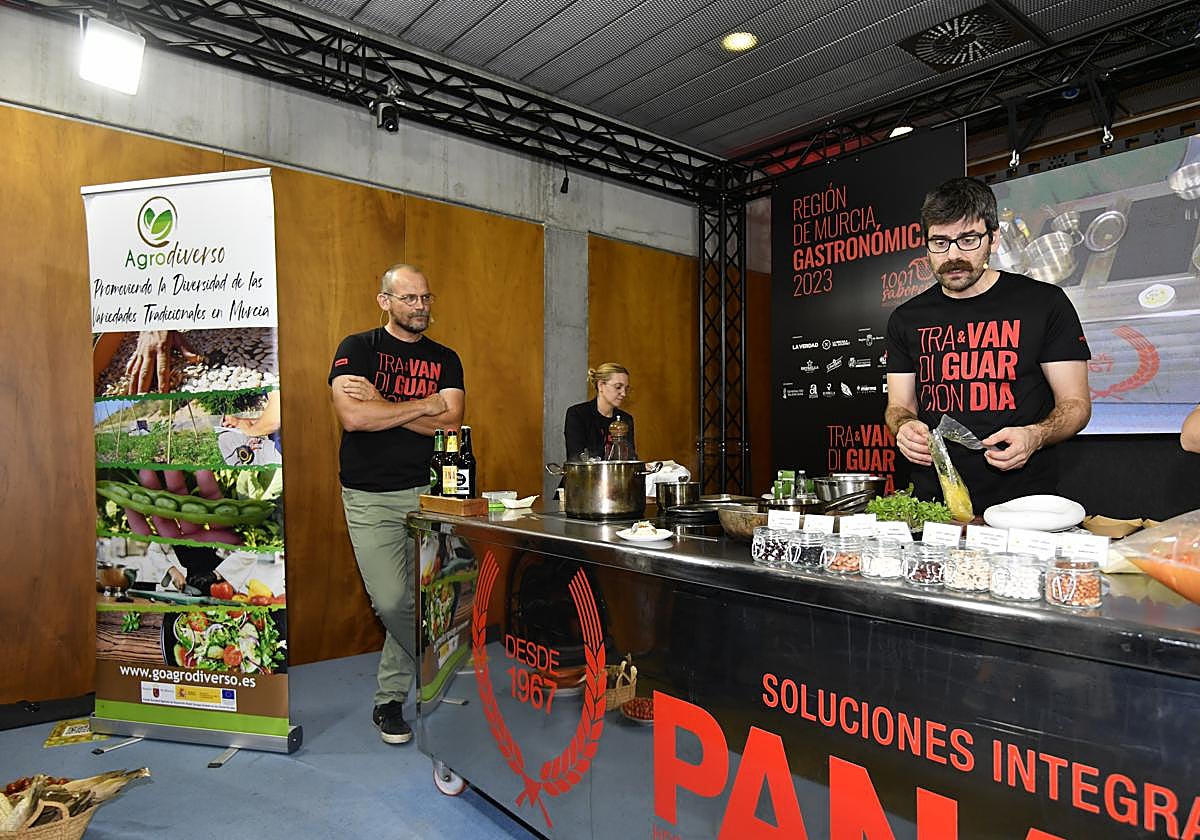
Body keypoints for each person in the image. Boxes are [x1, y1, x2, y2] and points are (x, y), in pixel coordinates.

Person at [884, 177, 1092, 512]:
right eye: (939, 242)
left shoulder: (1044, 304)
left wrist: (1035, 436)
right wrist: (905, 427)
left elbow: (1077, 404)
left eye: (967, 240)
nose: (952, 255)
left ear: (993, 239)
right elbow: (898, 407)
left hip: (1024, 504)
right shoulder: (906, 319)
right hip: (935, 505)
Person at [329, 264, 464, 745]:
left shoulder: (445, 358)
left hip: (431, 492)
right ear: (384, 300)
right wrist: (422, 405)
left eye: (426, 298)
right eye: (409, 299)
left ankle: (389, 699)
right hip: (370, 497)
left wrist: (385, 401)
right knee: (391, 600)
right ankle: (445, 666)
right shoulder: (356, 349)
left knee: (425, 596)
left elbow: (450, 426)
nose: (420, 307)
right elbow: (355, 418)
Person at [564, 363, 636, 460]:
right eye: (618, 387)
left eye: (626, 388)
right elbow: (576, 456)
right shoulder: (578, 414)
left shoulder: (626, 419)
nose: (623, 394)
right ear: (601, 385)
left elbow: (630, 457)